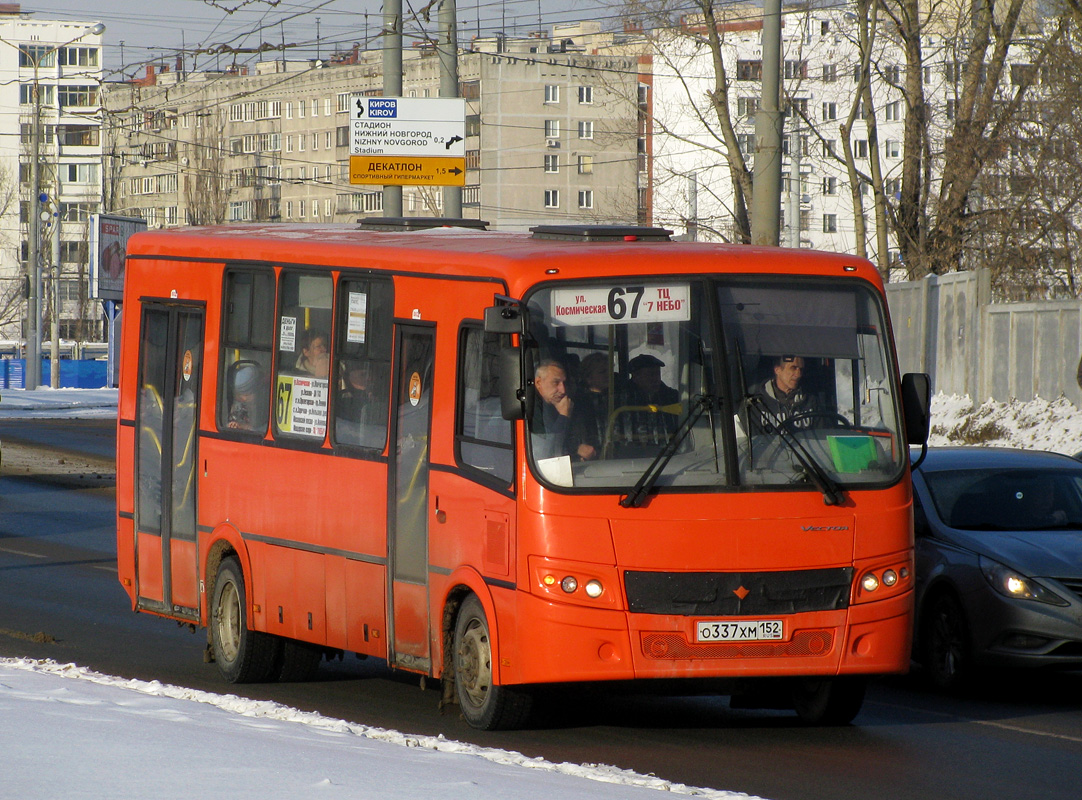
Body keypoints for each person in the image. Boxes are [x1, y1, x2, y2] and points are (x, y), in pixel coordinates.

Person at [748, 355, 817, 431]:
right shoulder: (756, 404)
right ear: (777, 370)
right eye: (793, 368)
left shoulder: (810, 401)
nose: (798, 374)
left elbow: (823, 435)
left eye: (801, 369)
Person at [570, 352, 616, 461]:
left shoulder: (620, 397)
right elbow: (569, 435)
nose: (608, 375)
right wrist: (576, 448)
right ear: (588, 377)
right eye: (602, 372)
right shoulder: (577, 402)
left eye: (610, 371)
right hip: (591, 459)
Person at [531, 359, 574, 460]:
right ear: (538, 383)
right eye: (555, 383)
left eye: (564, 383)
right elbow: (548, 451)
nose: (562, 390)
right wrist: (563, 416)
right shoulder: (532, 410)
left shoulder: (551, 405)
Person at [227, 363, 264, 431]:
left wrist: (245, 427)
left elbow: (262, 430)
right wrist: (233, 425)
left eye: (247, 394)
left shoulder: (263, 407)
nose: (243, 399)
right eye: (239, 395)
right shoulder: (234, 405)